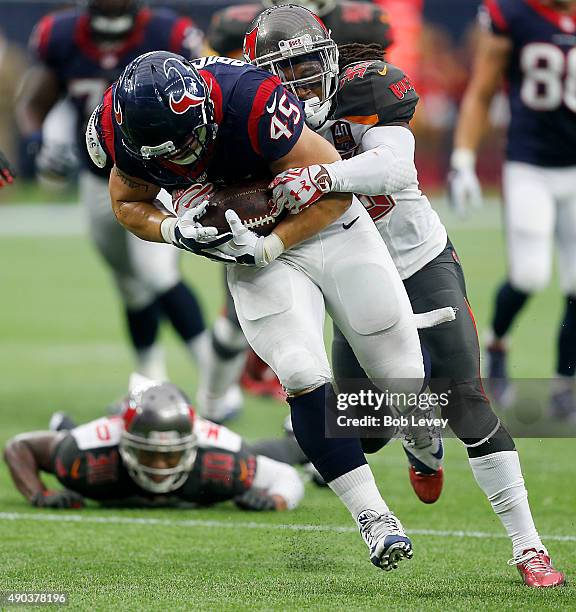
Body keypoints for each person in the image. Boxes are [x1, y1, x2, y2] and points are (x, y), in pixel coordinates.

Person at [250, 4, 565, 587]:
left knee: (467, 404)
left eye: (304, 65)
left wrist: (324, 176)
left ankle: (529, 547)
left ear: (329, 56)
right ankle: (419, 433)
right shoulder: (258, 114)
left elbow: (394, 168)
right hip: (349, 271)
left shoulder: (364, 86)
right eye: (281, 70)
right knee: (361, 428)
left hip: (415, 258)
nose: (294, 81)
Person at [86, 49, 432, 570]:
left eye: (186, 147)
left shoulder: (251, 102)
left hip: (326, 228)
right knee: (299, 369)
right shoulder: (119, 128)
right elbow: (127, 202)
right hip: (250, 257)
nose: (179, 164)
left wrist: (274, 242)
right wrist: (170, 229)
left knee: (404, 378)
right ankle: (375, 518)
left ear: (204, 111)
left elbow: (336, 192)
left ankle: (424, 446)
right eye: (165, 159)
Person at [15, 0, 219, 395]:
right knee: (130, 283)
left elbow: (212, 88)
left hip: (157, 175)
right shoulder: (60, 35)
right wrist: (38, 141)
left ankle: (216, 382)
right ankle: (148, 382)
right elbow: (34, 100)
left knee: (158, 274)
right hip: (98, 180)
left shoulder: (168, 34)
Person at [203, 0, 394, 404]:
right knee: (241, 313)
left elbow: (374, 96)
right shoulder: (238, 26)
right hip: (261, 179)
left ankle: (306, 421)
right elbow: (210, 91)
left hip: (337, 183)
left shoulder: (362, 22)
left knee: (357, 311)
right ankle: (214, 398)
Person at [449, 0, 576, 420]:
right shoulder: (514, 14)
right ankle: (497, 341)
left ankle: (565, 383)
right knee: (529, 275)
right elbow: (483, 89)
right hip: (530, 165)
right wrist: (463, 159)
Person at [3, 378, 304, 512]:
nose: (159, 466)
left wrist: (276, 501)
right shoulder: (88, 450)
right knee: (70, 438)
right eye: (149, 452)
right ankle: (65, 427)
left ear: (191, 445)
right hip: (104, 428)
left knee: (298, 451)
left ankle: (302, 430)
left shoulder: (220, 456)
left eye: (170, 456)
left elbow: (284, 477)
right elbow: (19, 447)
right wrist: (39, 495)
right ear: (125, 443)